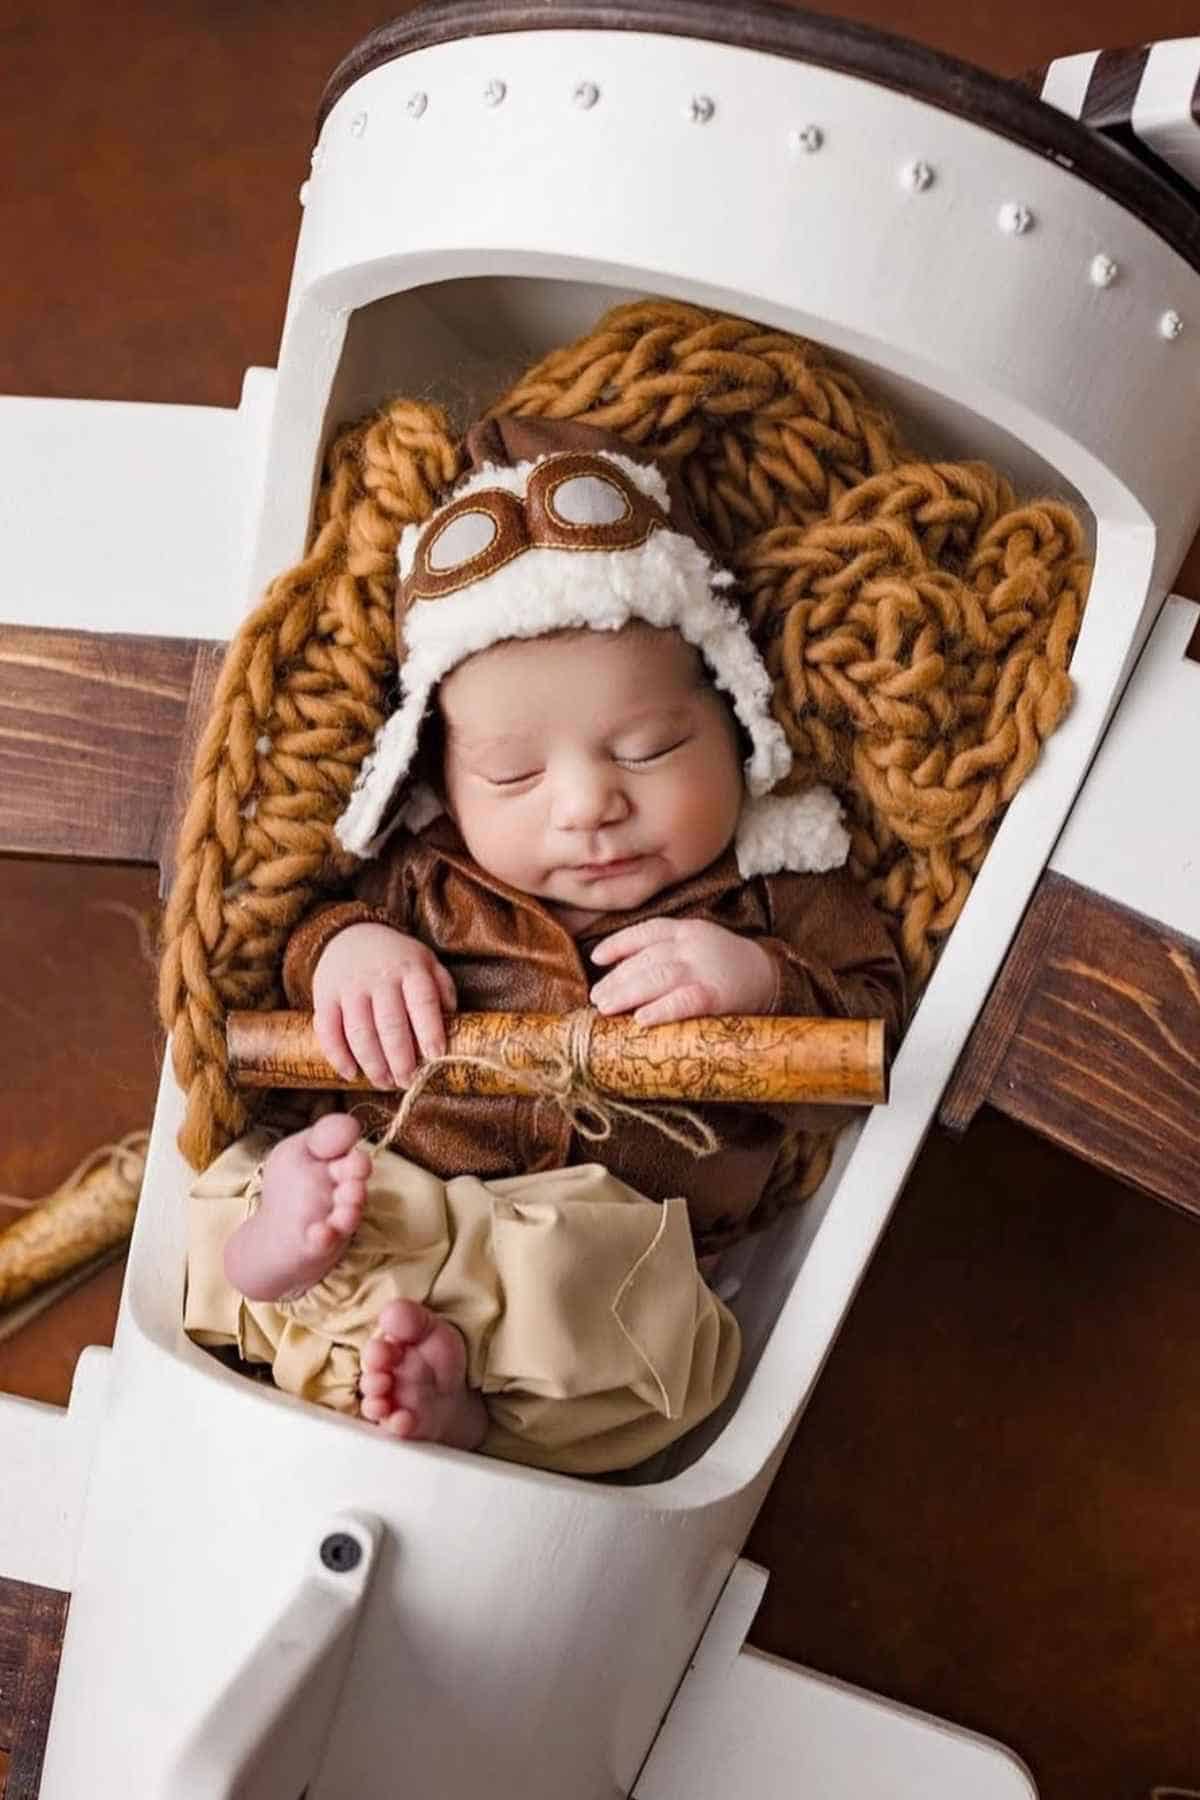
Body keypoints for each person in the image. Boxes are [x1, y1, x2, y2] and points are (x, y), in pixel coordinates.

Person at [185, 415, 905, 1475]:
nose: (588, 805)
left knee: (658, 1336)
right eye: (515, 778)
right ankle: (277, 1252)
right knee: (262, 1180)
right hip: (402, 1191)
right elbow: (301, 945)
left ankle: (455, 1400)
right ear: (439, 780)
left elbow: (872, 1029)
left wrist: (759, 978)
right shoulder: (430, 875)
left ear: (734, 716)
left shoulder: (769, 890)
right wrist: (345, 954)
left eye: (651, 748)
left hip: (599, 1247)